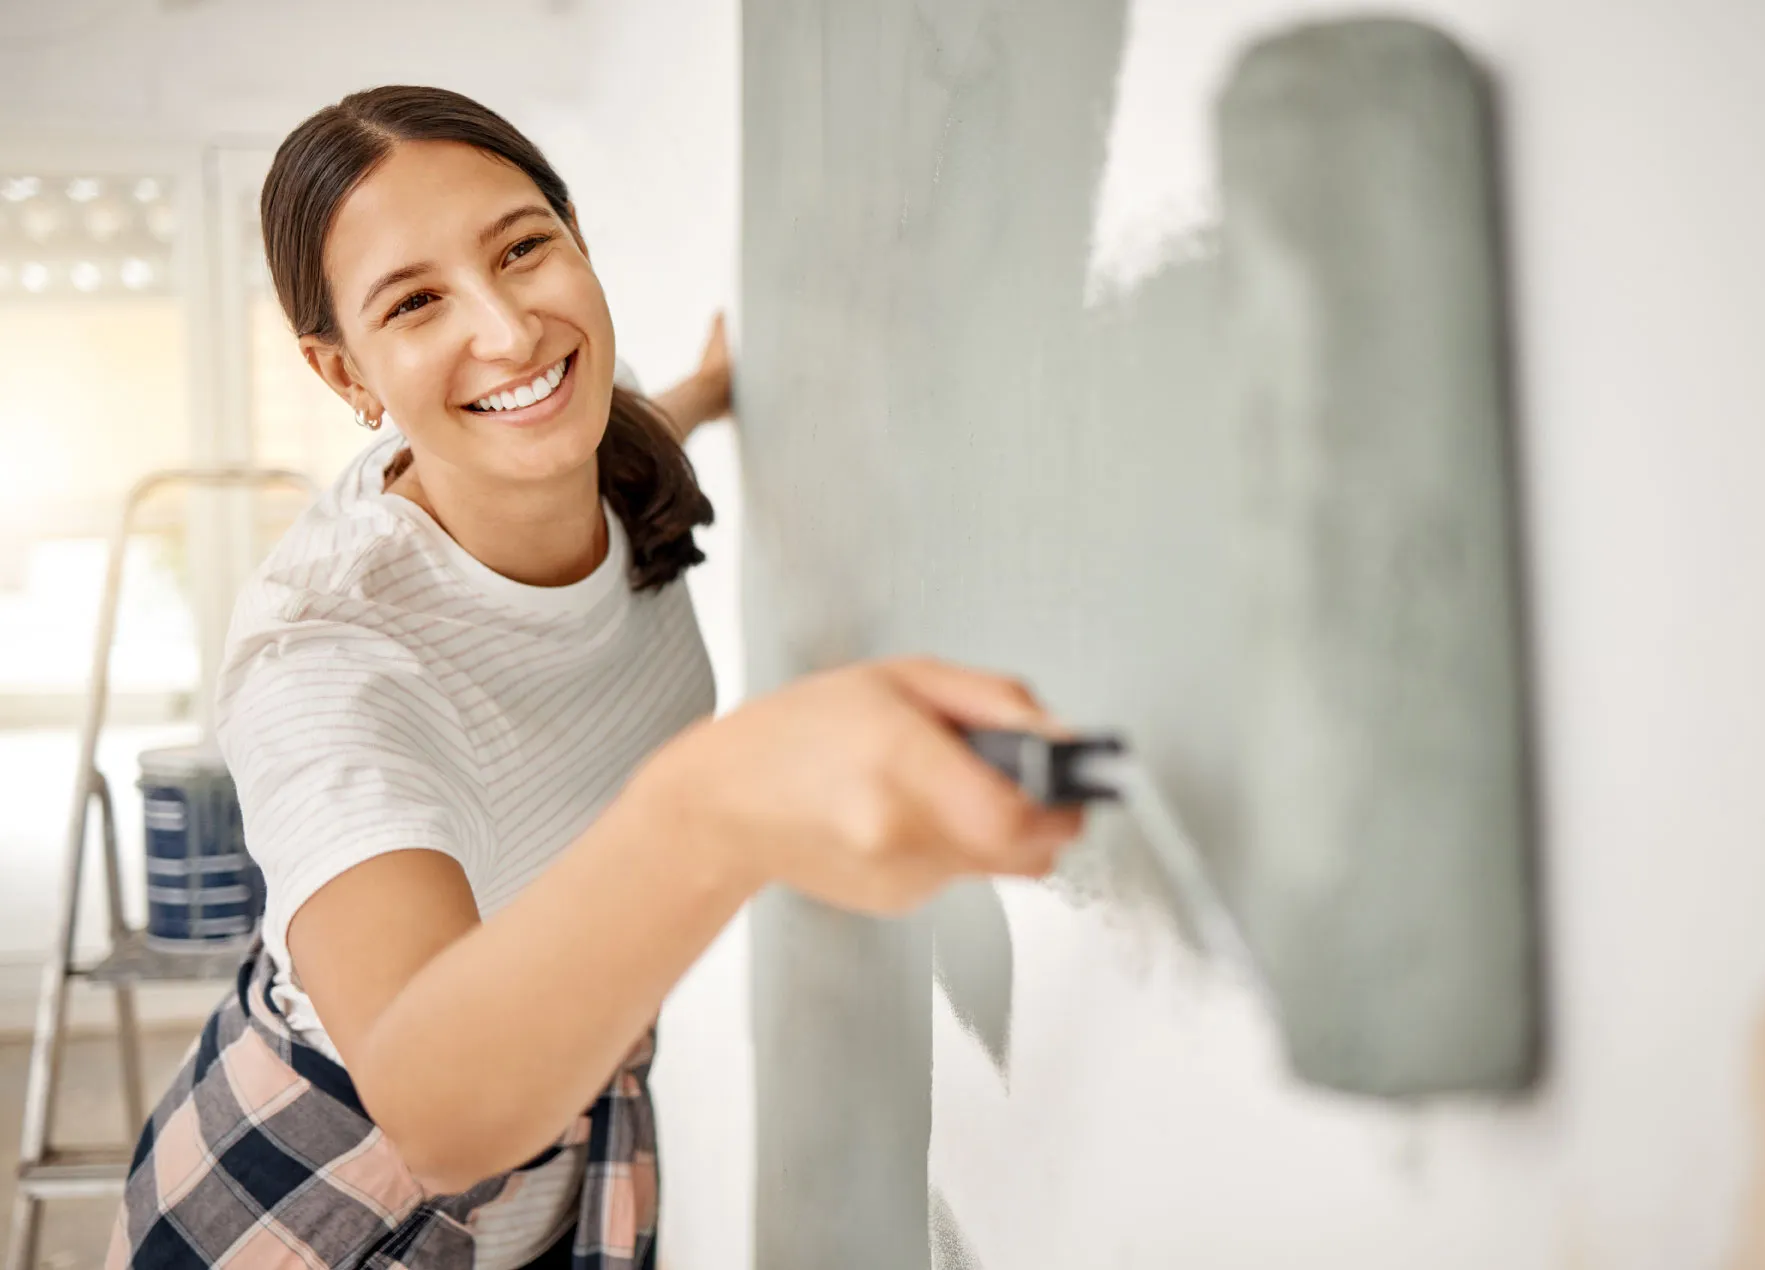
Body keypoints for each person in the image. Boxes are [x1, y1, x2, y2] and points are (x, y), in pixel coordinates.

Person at [108, 85, 1081, 1270]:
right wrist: (714, 802)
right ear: (344, 372)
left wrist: (714, 390)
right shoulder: (322, 659)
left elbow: (603, 417)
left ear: (575, 237)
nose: (509, 332)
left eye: (524, 249)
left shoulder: (600, 453)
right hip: (312, 1190)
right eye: (415, 302)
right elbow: (437, 1113)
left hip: (554, 1147)